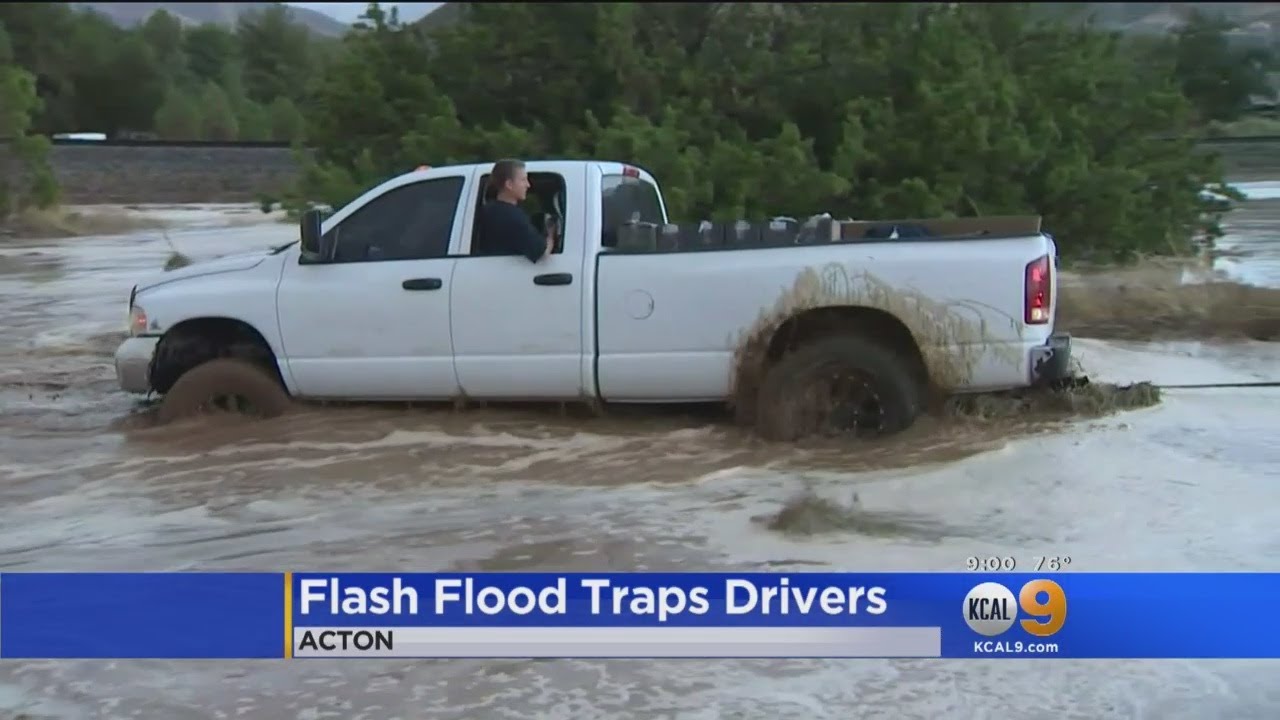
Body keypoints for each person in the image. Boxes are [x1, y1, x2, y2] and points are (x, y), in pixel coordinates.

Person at [474, 159, 554, 263]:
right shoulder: (512, 217)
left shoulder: (489, 210)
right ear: (509, 184)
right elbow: (542, 253)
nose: (528, 185)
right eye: (523, 180)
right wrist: (551, 234)